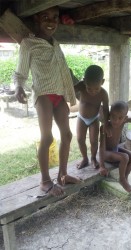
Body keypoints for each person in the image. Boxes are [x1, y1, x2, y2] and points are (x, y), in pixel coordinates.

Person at [14, 6, 80, 196]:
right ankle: (44, 181)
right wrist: (18, 87)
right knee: (47, 137)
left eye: (55, 17)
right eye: (46, 17)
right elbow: (20, 72)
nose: (51, 21)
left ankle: (63, 175)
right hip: (43, 95)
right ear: (37, 19)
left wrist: (78, 85)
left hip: (60, 95)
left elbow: (64, 69)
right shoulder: (29, 43)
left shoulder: (56, 43)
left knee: (67, 135)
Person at [74, 65, 110, 169]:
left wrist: (106, 123)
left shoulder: (103, 94)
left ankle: (93, 157)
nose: (93, 91)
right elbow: (70, 89)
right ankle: (85, 158)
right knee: (80, 139)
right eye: (89, 88)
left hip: (94, 119)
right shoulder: (81, 86)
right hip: (81, 118)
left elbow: (106, 109)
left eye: (96, 88)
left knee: (94, 141)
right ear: (84, 81)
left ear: (102, 82)